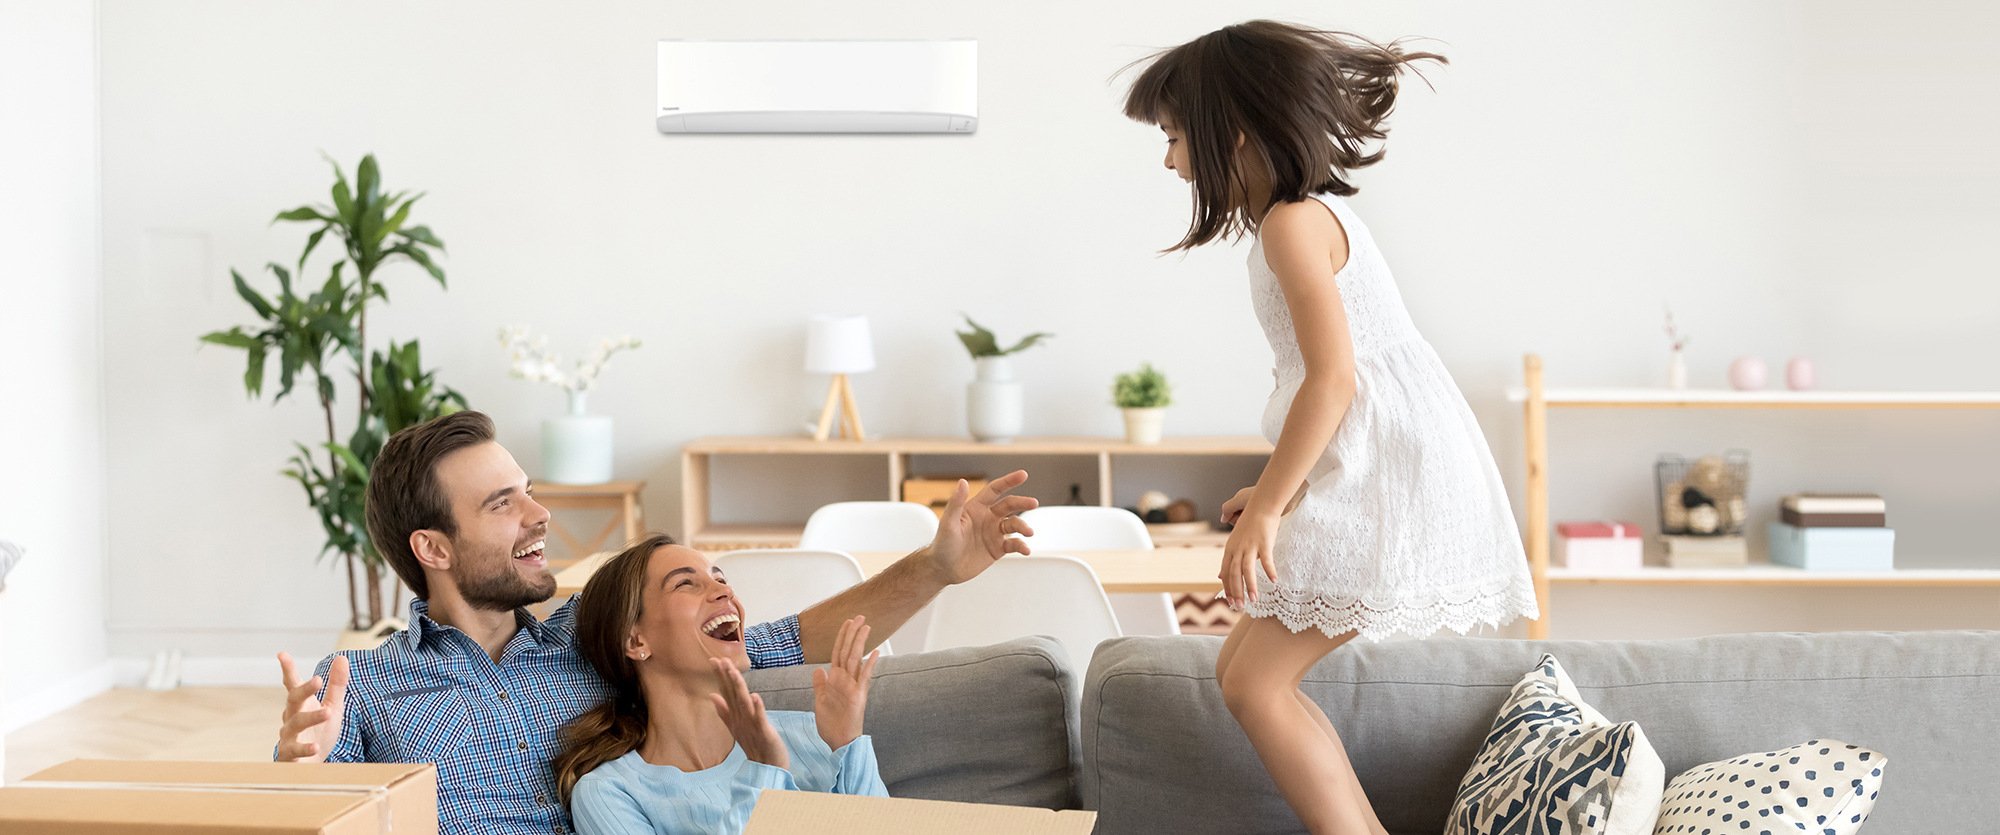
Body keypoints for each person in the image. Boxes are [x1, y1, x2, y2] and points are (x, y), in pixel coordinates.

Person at [1122, 21, 1539, 834]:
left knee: (1253, 683)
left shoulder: (1291, 223)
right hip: (1382, 463)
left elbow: (1336, 378)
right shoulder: (1299, 219)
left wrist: (1277, 505)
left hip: (1399, 477)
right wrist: (1289, 482)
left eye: (1174, 136)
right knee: (1246, 675)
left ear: (1230, 133)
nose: (1170, 160)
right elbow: (1346, 388)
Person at [273, 410, 1035, 835]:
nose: (541, 514)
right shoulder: (362, 685)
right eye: (503, 504)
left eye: (527, 490)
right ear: (433, 547)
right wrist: (295, 769)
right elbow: (308, 807)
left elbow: (787, 640)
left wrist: (934, 567)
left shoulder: (596, 636)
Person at [556, 535, 886, 834]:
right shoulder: (610, 793)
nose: (726, 591)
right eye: (685, 583)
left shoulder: (814, 735)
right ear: (635, 640)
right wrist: (762, 771)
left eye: (721, 579)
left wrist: (848, 742)